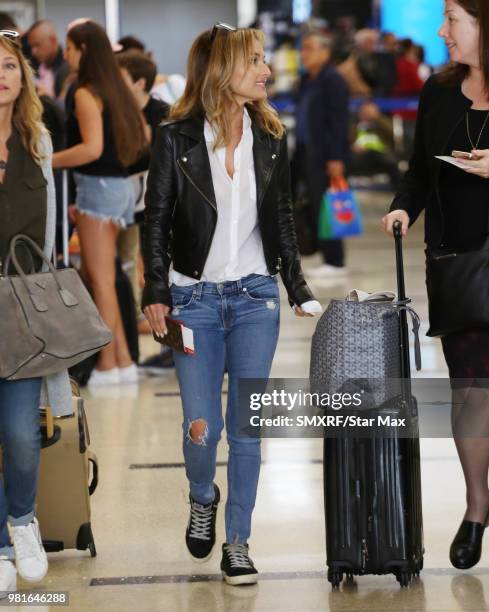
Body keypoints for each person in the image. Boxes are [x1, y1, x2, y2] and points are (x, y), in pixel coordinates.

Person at [142, 23, 320, 585]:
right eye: (255, 61)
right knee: (201, 426)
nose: (266, 70)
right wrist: (155, 293)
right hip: (191, 299)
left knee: (247, 428)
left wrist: (297, 286)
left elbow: (283, 219)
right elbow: (157, 218)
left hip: (253, 297)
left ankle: (238, 541)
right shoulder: (175, 137)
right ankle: (202, 495)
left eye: (265, 60)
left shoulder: (270, 136)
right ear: (223, 70)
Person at [382, 0, 489, 571]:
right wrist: (403, 208)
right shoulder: (439, 91)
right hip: (458, 268)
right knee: (471, 391)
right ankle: (477, 508)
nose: (442, 31)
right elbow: (419, 171)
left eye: (453, 19)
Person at [0, 29, 72, 595]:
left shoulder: (38, 141)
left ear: (23, 76)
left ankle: (23, 522)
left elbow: (51, 230)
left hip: (23, 303)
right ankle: (1, 545)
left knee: (22, 434)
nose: (2, 75)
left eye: (9, 65)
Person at [52, 21, 148, 386]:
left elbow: (90, 148)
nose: (66, 54)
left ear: (84, 50)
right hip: (119, 187)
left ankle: (109, 364)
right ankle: (122, 360)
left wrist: (47, 159)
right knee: (105, 276)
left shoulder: (83, 91)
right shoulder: (115, 89)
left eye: (70, 47)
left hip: (98, 187)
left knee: (103, 282)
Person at [117, 50, 169, 336]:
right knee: (127, 259)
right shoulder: (114, 114)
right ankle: (135, 317)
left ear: (138, 82)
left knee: (157, 261)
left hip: (157, 202)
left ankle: (169, 330)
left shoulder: (165, 115)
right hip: (126, 200)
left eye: (120, 78)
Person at [294, 31, 350, 277]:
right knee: (314, 205)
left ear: (325, 52)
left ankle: (335, 261)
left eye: (309, 48)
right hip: (306, 152)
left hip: (327, 156)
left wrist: (336, 157)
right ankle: (322, 254)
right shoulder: (308, 80)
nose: (304, 53)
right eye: (303, 48)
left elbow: (339, 123)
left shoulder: (333, 80)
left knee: (330, 207)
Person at [27, 20, 69, 99]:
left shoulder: (68, 69)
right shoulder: (35, 66)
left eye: (37, 45)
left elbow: (66, 109)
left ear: (53, 41)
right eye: (31, 47)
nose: (33, 51)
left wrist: (48, 98)